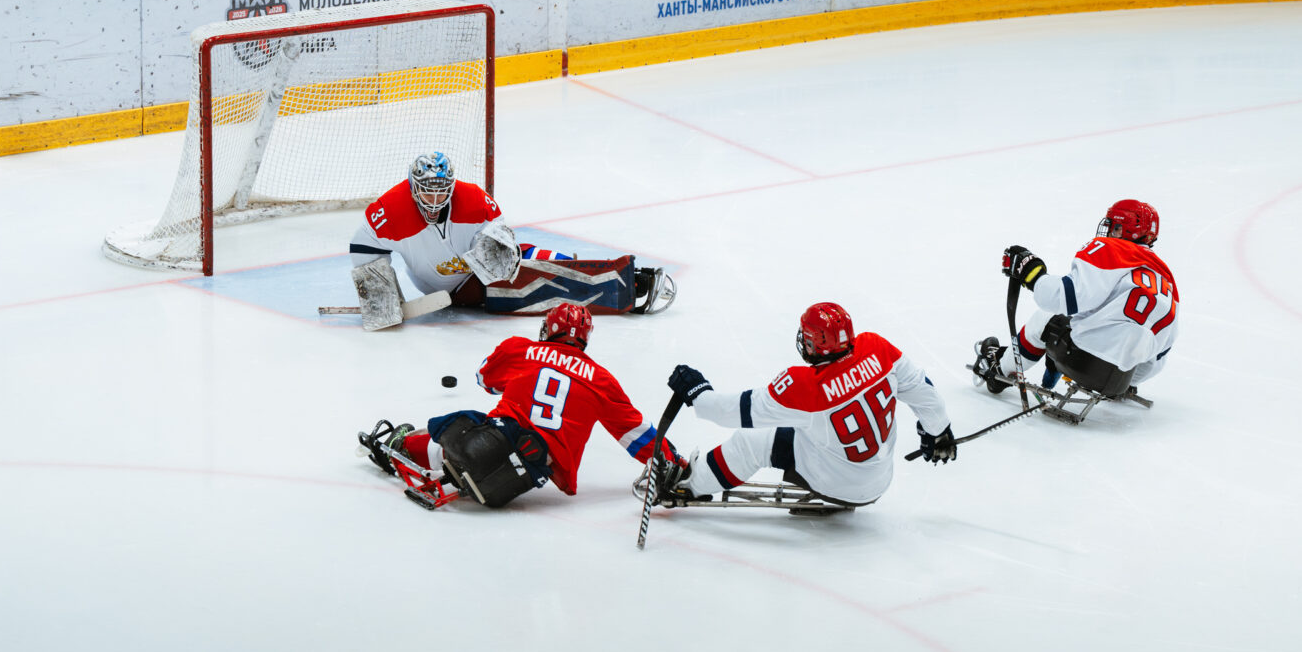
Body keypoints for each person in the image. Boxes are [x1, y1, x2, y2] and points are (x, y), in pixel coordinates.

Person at [358, 302, 683, 508]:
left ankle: (401, 446)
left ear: (547, 329)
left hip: (491, 441)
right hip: (531, 472)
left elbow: (484, 378)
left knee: (451, 423)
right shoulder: (601, 379)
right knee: (505, 444)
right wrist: (674, 464)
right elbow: (637, 435)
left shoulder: (521, 349)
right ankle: (474, 468)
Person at [655, 302, 956, 511]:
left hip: (836, 482)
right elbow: (923, 390)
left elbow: (731, 412)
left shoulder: (805, 386)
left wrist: (697, 392)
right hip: (880, 478)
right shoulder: (877, 347)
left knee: (751, 441)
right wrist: (938, 432)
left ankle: (687, 485)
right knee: (811, 426)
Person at [348, 151, 675, 320]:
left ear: (452, 186)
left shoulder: (473, 199)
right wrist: (381, 297)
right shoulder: (390, 208)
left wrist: (493, 259)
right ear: (412, 187)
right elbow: (363, 244)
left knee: (522, 262)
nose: (434, 200)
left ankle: (593, 272)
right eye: (426, 192)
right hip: (437, 286)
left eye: (441, 191)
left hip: (476, 273)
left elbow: (502, 240)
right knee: (525, 282)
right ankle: (612, 284)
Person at [974, 199, 1178, 398]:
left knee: (1045, 317)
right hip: (1121, 379)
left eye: (1113, 226)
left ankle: (999, 370)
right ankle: (1126, 387)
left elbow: (1064, 297)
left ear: (1120, 229)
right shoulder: (1165, 279)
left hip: (1084, 362)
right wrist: (1127, 378)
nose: (1108, 231)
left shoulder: (1112, 250)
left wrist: (1031, 272)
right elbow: (1162, 350)